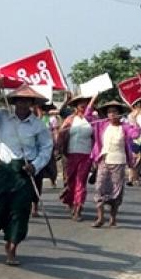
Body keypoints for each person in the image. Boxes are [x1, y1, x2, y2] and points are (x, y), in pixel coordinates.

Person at [0, 81, 53, 266]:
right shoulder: (2, 117)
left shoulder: (38, 125)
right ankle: (8, 232)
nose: (23, 104)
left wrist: (35, 166)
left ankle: (12, 246)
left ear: (32, 103)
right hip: (5, 170)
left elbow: (46, 148)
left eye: (27, 100)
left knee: (20, 211)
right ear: (14, 101)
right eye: (19, 100)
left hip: (24, 172)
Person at [89, 101, 141, 228]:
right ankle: (100, 218)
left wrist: (134, 120)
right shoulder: (102, 124)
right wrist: (93, 100)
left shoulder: (125, 127)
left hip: (118, 163)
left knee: (116, 191)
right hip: (104, 161)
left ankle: (113, 218)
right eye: (109, 112)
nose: (111, 114)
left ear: (119, 114)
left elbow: (136, 134)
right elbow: (87, 117)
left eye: (114, 112)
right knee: (99, 188)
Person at [57, 93, 98, 221]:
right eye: (80, 103)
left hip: (86, 155)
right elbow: (61, 135)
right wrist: (58, 148)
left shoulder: (93, 120)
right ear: (76, 106)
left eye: (85, 103)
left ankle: (78, 207)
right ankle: (71, 202)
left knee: (81, 181)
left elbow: (98, 138)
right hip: (70, 154)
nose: (83, 105)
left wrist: (96, 156)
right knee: (70, 181)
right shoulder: (70, 119)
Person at [127, 101, 141, 186]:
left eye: (140, 104)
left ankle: (135, 178)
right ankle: (131, 178)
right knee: (136, 158)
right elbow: (133, 122)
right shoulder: (131, 115)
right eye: (138, 104)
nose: (139, 105)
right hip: (134, 137)